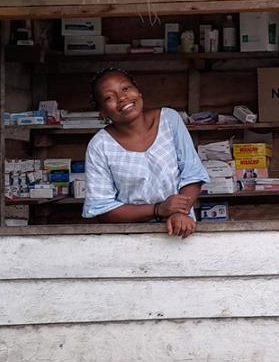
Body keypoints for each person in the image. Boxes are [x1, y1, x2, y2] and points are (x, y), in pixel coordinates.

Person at [81, 68, 209, 238]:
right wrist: (159, 209)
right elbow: (102, 208)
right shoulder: (100, 146)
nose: (122, 98)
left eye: (126, 88)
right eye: (109, 97)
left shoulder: (169, 120)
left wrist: (179, 212)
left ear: (138, 91)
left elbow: (192, 175)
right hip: (129, 237)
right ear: (102, 112)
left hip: (180, 230)